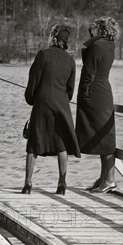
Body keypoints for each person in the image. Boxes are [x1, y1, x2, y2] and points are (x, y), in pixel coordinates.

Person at [22, 25, 80, 195]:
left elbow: (33, 82)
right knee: (61, 143)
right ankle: (62, 183)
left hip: (42, 103)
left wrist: (31, 99)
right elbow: (70, 90)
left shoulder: (43, 55)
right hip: (62, 104)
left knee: (34, 143)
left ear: (53, 38)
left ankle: (28, 184)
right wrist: (62, 100)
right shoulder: (70, 61)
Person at [75, 17, 119, 194]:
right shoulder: (109, 45)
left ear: (100, 29)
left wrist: (83, 93)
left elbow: (89, 72)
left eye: (92, 28)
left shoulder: (97, 46)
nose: (90, 30)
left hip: (94, 92)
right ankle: (104, 178)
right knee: (103, 135)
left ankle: (109, 179)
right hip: (103, 91)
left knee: (105, 138)